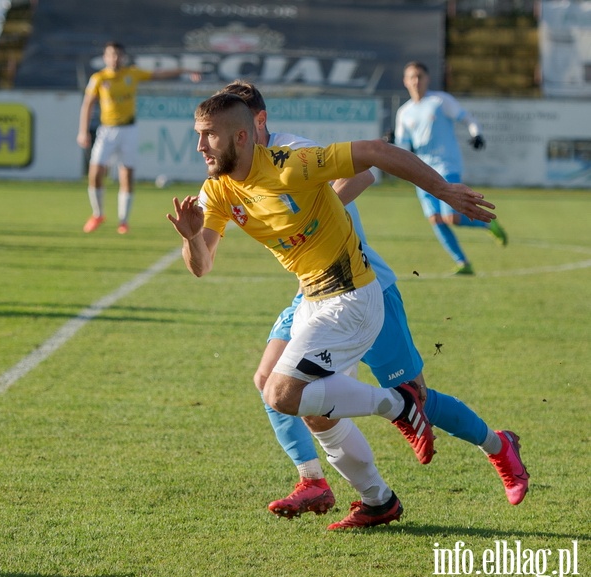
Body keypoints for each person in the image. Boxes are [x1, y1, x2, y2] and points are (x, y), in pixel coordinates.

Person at [168, 93, 496, 529]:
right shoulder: (218, 190)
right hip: (313, 299)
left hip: (352, 296)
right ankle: (377, 500)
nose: (200, 147)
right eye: (198, 136)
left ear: (242, 136)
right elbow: (202, 266)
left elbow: (375, 154)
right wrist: (192, 238)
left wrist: (442, 190)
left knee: (281, 393)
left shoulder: (290, 163)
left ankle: (400, 407)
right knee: (303, 403)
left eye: (208, 135)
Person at [395, 61, 507, 275]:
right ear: (405, 81)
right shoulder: (404, 112)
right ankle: (463, 263)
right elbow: (403, 146)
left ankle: (489, 225)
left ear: (427, 79)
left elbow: (467, 118)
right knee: (436, 219)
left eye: (420, 76)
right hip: (420, 170)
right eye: (412, 77)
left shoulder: (440, 101)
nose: (416, 81)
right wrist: (391, 141)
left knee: (452, 218)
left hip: (446, 165)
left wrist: (477, 134)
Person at [77, 41, 198, 235]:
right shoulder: (99, 78)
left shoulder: (132, 74)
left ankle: (123, 221)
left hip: (128, 130)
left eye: (118, 54)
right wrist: (83, 131)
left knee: (126, 175)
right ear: (105, 57)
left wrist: (184, 70)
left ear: (123, 57)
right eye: (111, 54)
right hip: (106, 130)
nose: (115, 58)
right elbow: (87, 104)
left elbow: (159, 75)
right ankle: (98, 214)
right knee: (95, 173)